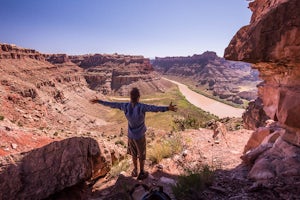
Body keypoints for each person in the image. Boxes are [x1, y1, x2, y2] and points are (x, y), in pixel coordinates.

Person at [90, 87, 177, 180]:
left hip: (131, 136)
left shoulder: (125, 106)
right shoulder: (141, 107)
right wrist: (167, 108)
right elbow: (154, 108)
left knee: (134, 154)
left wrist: (99, 101)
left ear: (130, 97)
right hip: (140, 136)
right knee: (142, 154)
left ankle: (135, 170)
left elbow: (112, 104)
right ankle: (142, 172)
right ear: (138, 97)